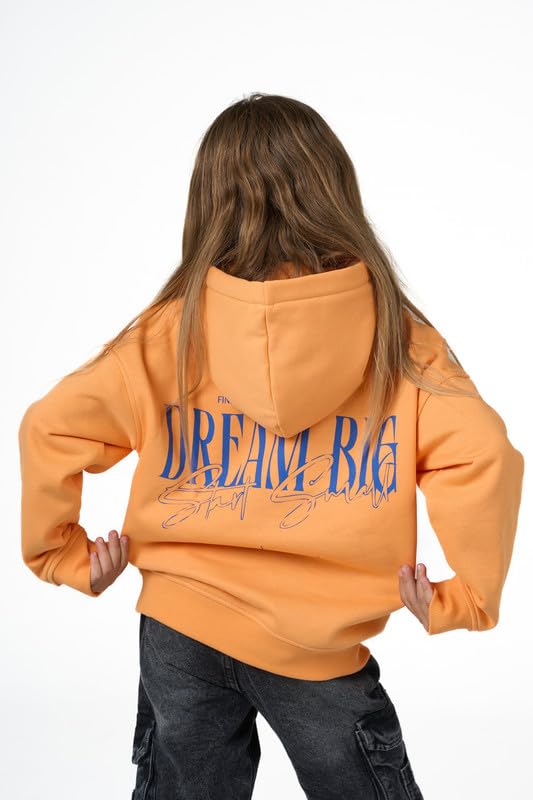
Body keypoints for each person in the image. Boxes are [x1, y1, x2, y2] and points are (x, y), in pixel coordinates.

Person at [18, 93, 524, 800]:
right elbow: (482, 453)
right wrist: (462, 597)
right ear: (334, 190)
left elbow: (50, 426)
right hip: (318, 644)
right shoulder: (398, 338)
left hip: (180, 626)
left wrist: (64, 555)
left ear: (207, 203)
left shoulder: (168, 332)